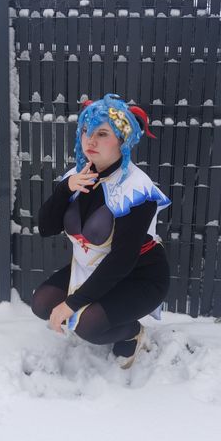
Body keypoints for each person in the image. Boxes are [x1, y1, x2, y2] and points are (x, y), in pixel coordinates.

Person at [31, 93, 171, 368]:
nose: (90, 140)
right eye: (86, 131)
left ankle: (132, 333)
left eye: (102, 133)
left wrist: (72, 304)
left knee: (88, 324)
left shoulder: (136, 190)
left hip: (138, 275)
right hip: (91, 267)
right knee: (42, 303)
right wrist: (65, 189)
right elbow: (46, 228)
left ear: (123, 139)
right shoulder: (78, 175)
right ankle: (102, 311)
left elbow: (122, 260)